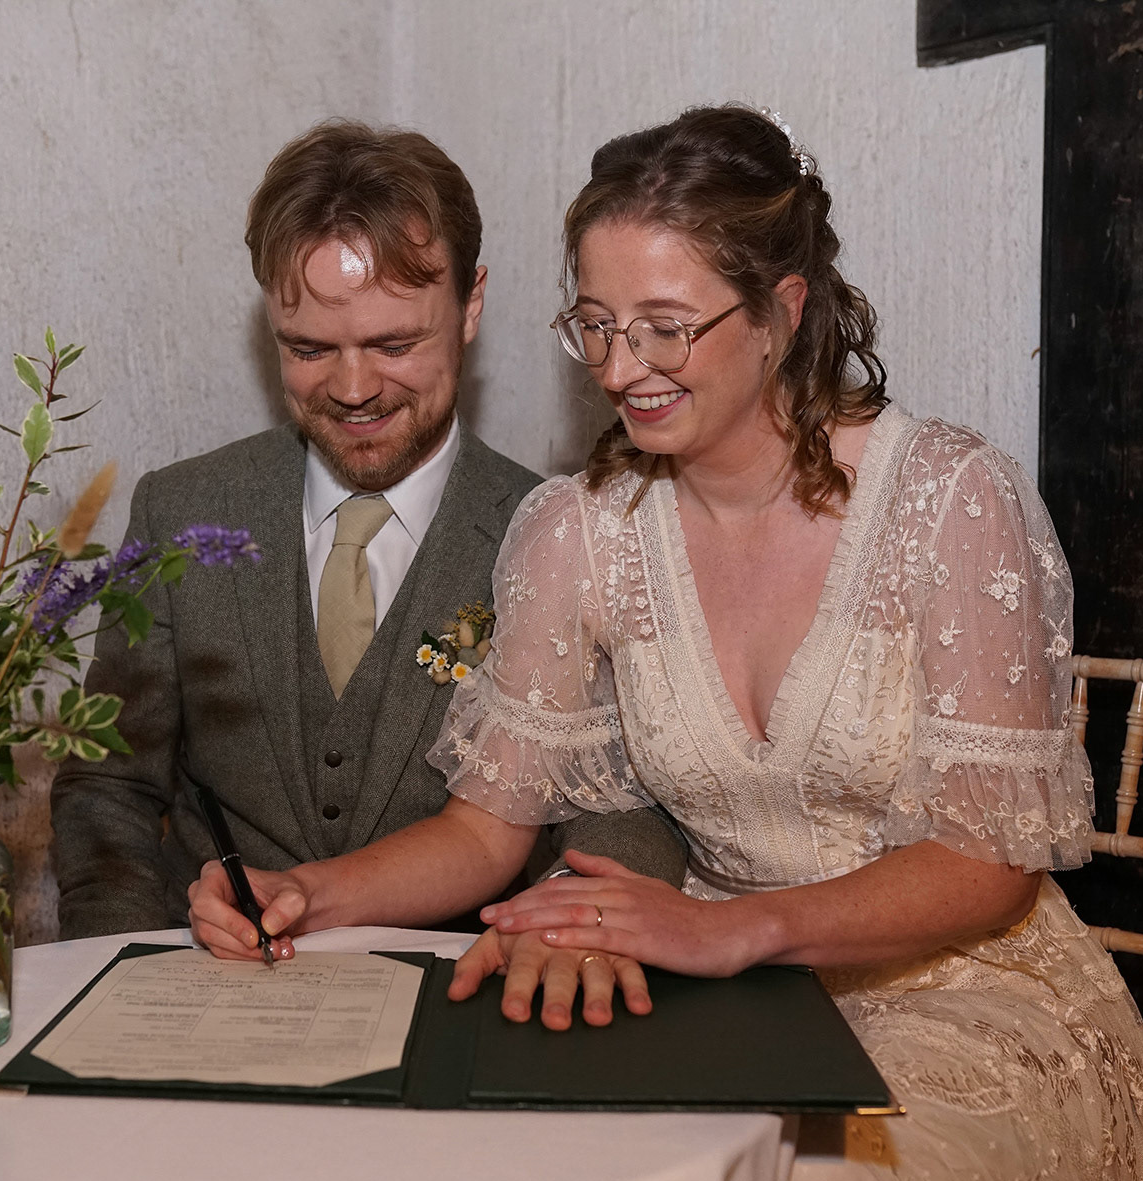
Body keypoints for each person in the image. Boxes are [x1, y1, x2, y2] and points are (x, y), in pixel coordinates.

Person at [190, 105, 1143, 1181]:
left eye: (665, 328)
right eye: (596, 327)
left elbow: (989, 869)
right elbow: (484, 830)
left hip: (964, 1000)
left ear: (780, 312)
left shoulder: (949, 501)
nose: (622, 371)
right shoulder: (576, 531)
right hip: (722, 1001)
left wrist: (736, 929)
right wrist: (305, 895)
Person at [50, 119, 687, 1024]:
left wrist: (569, 921)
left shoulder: (558, 531)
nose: (352, 390)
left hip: (469, 1009)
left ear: (470, 305)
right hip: (211, 1009)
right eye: (308, 349)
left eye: (393, 346)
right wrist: (125, 975)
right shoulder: (180, 512)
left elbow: (627, 804)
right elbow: (108, 785)